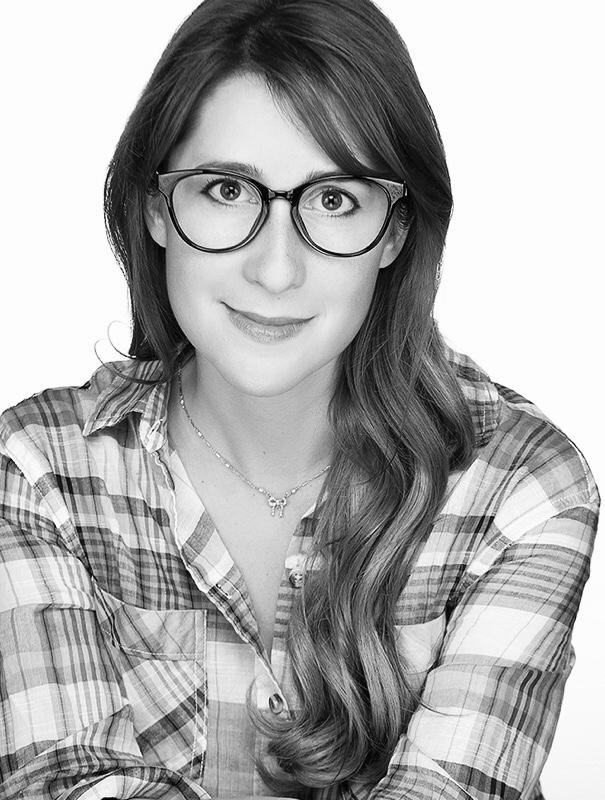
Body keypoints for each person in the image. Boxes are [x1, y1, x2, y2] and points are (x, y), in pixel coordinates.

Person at [0, 0, 599, 798]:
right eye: (226, 190)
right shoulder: (38, 472)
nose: (275, 270)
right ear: (155, 208)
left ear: (394, 233)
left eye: (333, 200)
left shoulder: (518, 489)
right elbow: (68, 780)